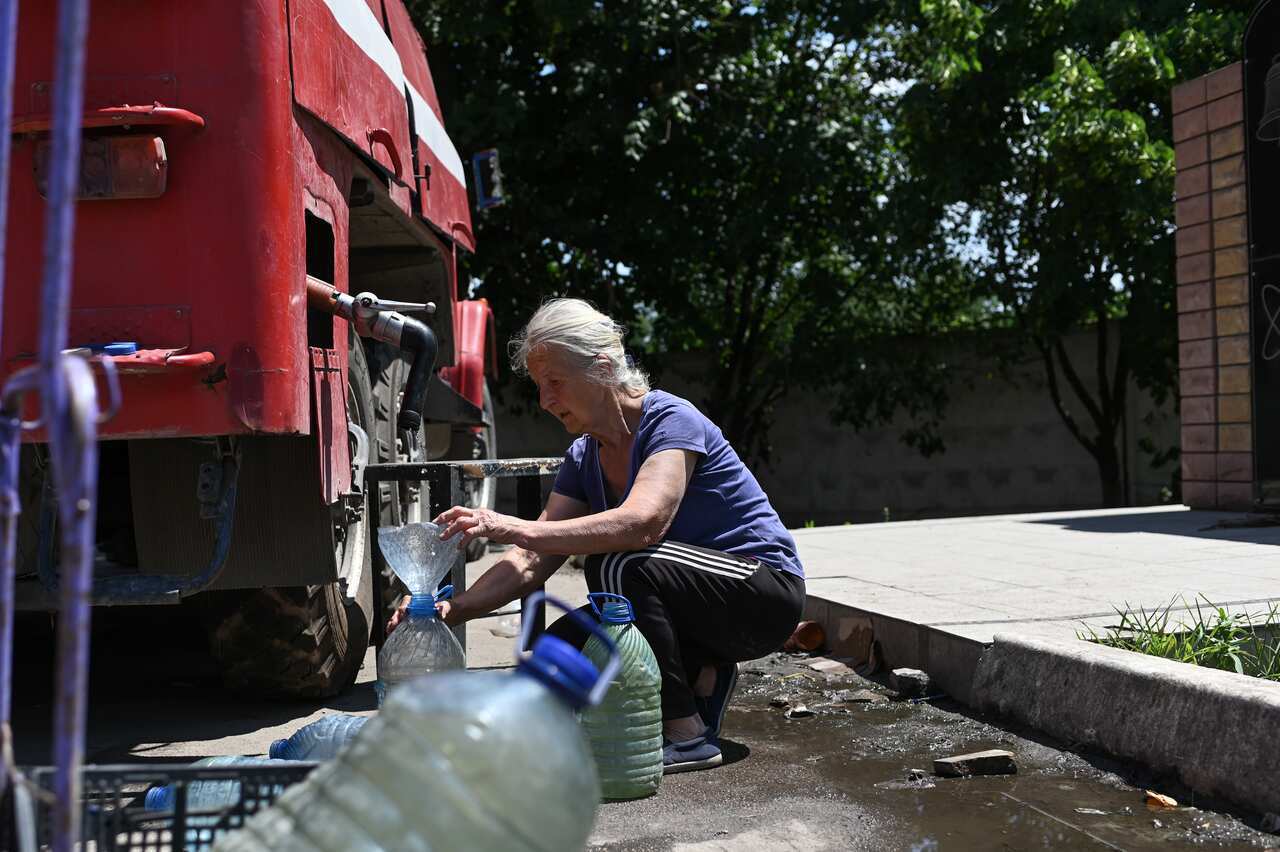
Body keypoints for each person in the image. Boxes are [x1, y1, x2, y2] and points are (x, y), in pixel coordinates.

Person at [387, 298, 805, 773]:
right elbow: (530, 559)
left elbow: (644, 523)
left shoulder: (670, 419)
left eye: (555, 382)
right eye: (541, 385)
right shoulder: (584, 456)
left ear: (603, 367)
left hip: (761, 593)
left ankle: (687, 734)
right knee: (556, 653)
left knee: (616, 565)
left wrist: (512, 524)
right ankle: (702, 672)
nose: (545, 400)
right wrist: (450, 607)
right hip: (698, 602)